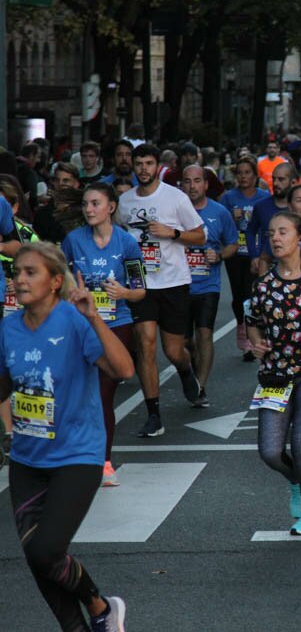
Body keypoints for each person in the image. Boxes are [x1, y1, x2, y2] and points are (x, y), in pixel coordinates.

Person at [2, 242, 134, 631]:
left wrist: (94, 318)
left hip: (77, 456)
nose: (20, 279)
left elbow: (123, 369)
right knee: (38, 560)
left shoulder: (74, 321)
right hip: (27, 459)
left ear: (56, 281)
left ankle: (100, 607)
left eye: (30, 272)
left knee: (47, 551)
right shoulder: (7, 327)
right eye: (16, 272)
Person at [248, 212, 301, 536]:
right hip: (276, 374)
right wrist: (257, 344)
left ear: (300, 237)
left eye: (283, 231)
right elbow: (252, 322)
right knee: (269, 451)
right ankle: (296, 479)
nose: (276, 238)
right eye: (271, 232)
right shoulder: (263, 285)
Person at [117, 144, 206, 437]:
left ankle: (185, 369)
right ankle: (153, 413)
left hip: (173, 282)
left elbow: (200, 236)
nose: (143, 168)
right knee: (145, 345)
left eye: (149, 163)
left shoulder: (175, 198)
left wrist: (173, 233)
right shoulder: (124, 202)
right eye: (139, 163)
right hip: (141, 284)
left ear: (158, 167)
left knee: (173, 350)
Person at [62, 184, 145, 486]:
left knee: (104, 392)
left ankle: (104, 462)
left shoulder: (127, 243)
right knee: (79, 393)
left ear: (111, 207)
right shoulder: (72, 241)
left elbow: (140, 290)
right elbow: (60, 281)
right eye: (85, 204)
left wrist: (124, 292)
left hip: (115, 323)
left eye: (95, 203)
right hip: (81, 325)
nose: (89, 209)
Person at [184, 165, 239, 406]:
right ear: (181, 185)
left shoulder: (219, 212)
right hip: (179, 286)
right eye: (187, 181)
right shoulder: (175, 212)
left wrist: (219, 256)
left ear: (206, 185)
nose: (192, 186)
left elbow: (233, 244)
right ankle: (192, 375)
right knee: (185, 342)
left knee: (204, 334)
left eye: (197, 181)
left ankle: (201, 388)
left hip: (209, 285)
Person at [219, 157, 270, 361]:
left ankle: (251, 337)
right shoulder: (228, 198)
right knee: (239, 296)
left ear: (255, 175)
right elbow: (221, 227)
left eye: (247, 172)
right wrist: (232, 218)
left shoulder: (264, 197)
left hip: (257, 253)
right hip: (235, 253)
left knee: (254, 294)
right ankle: (242, 326)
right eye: (239, 172)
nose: (243, 176)